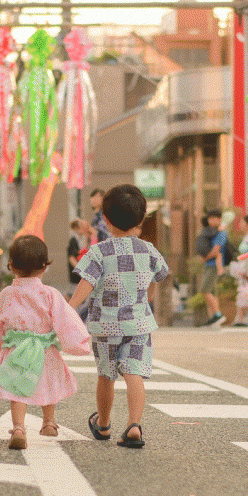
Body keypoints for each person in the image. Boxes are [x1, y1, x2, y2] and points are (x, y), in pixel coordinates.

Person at [70, 184, 169, 449]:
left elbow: (86, 284)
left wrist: (69, 308)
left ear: (105, 219)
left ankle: (103, 425)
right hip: (138, 324)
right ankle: (134, 425)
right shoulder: (149, 251)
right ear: (141, 219)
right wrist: (145, 298)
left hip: (105, 325)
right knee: (133, 372)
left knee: (106, 375)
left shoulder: (99, 252)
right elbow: (155, 281)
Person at [0, 234, 90, 450]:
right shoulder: (50, 294)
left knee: (17, 388)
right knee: (49, 384)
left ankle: (18, 428)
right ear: (44, 267)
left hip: (17, 349)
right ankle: (49, 422)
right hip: (45, 349)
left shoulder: (6, 294)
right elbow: (65, 319)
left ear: (12, 266)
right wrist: (77, 342)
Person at [195, 210, 226, 327]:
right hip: (209, 264)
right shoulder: (211, 231)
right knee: (211, 292)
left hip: (214, 265)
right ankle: (214, 317)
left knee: (204, 290)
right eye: (210, 218)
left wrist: (204, 258)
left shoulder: (221, 233)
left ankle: (218, 314)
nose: (212, 221)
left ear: (220, 219)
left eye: (215, 218)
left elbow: (216, 250)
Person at [67, 219, 91, 298]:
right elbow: (71, 258)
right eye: (81, 228)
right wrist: (80, 270)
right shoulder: (73, 240)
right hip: (77, 274)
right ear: (76, 229)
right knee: (74, 294)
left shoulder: (82, 238)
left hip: (81, 271)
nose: (84, 230)